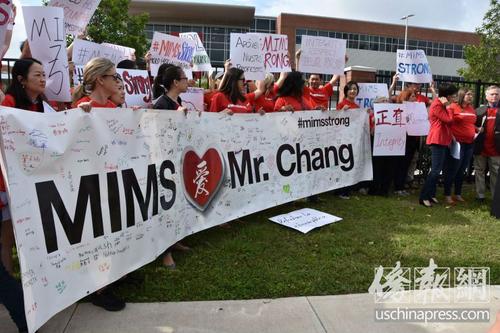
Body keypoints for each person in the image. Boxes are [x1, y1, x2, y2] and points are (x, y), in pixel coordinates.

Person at [1, 58, 50, 275]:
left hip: (31, 177)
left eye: (44, 74)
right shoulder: (9, 103)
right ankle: (8, 283)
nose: (43, 79)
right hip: (7, 180)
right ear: (21, 79)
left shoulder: (42, 105)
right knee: (7, 236)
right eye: (37, 75)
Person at [419, 83, 458, 207]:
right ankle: (424, 196)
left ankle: (430, 195)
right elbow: (450, 121)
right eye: (453, 95)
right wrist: (448, 107)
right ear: (447, 95)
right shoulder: (437, 105)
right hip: (437, 139)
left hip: (442, 140)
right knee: (435, 170)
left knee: (437, 170)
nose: (454, 98)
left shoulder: (440, 103)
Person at [443, 88, 477, 204]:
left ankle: (457, 193)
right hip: (457, 143)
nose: (471, 96)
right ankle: (447, 194)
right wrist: (451, 136)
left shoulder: (471, 109)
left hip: (470, 143)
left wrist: (477, 129)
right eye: (468, 94)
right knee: (453, 169)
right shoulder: (453, 106)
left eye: (472, 94)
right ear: (462, 95)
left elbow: (469, 123)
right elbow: (447, 122)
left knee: (462, 169)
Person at [473, 85, 500, 202]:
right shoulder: (478, 111)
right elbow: (470, 126)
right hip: (481, 148)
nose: (494, 96)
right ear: (486, 96)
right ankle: (480, 196)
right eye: (492, 94)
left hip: (496, 149)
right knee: (479, 171)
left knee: (496, 173)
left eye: (497, 94)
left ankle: (495, 197)